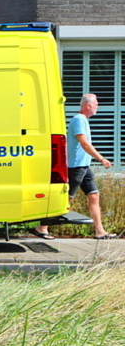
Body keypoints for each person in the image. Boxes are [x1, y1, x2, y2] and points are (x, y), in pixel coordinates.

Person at [34, 93, 116, 240]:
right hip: (76, 167)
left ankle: (100, 231)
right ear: (88, 105)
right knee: (66, 199)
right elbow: (84, 143)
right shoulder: (78, 120)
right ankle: (42, 227)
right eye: (96, 104)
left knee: (94, 196)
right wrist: (101, 159)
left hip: (84, 166)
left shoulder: (83, 120)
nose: (98, 107)